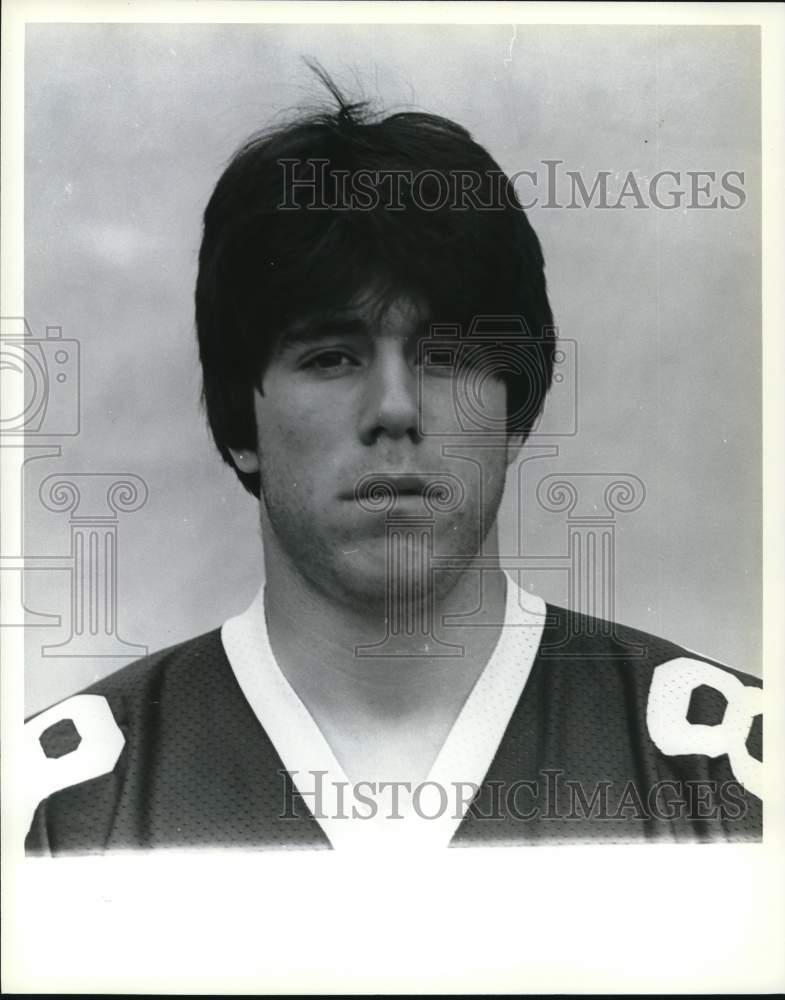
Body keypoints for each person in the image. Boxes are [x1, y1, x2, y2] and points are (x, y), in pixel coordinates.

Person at [24, 72, 762, 853]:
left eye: (445, 355)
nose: (395, 409)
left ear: (514, 406)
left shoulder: (731, 776)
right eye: (332, 357)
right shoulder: (58, 808)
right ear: (243, 420)